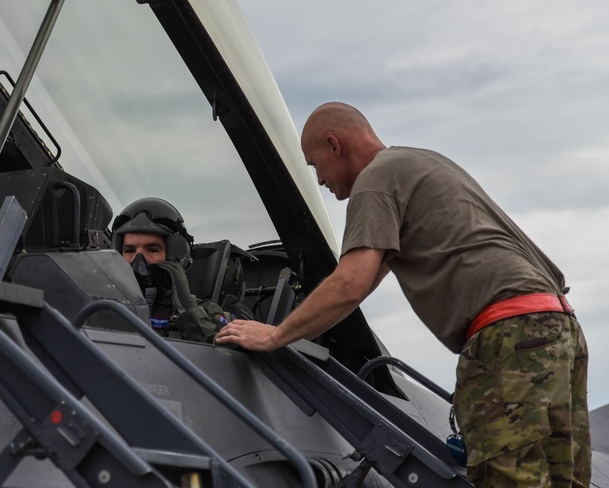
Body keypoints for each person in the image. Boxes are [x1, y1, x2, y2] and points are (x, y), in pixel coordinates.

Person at [215, 102, 589, 487]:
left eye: (315, 165)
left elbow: (349, 285)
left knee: (509, 479)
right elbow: (371, 274)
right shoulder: (420, 164)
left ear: (334, 145)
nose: (320, 180)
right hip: (559, 330)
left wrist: (275, 335)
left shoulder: (376, 180)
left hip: (509, 337)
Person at [112, 197, 229, 342]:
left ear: (174, 259)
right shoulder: (105, 305)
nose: (139, 260)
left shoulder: (207, 311)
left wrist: (187, 310)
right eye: (129, 250)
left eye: (152, 250)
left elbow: (223, 353)